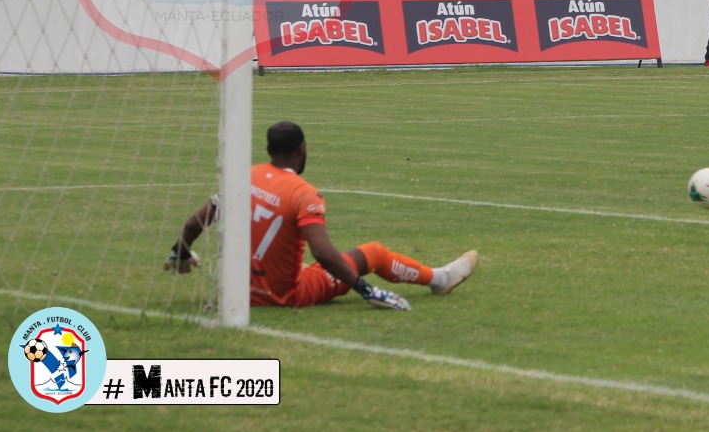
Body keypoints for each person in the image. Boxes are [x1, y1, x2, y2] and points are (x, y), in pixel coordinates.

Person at [163, 121, 478, 310]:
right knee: (374, 253)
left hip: (237, 291)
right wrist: (366, 289)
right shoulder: (302, 192)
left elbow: (194, 223)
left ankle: (438, 278)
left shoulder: (244, 176)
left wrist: (181, 252)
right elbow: (324, 253)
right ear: (300, 149)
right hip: (284, 295)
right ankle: (440, 279)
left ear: (269, 149)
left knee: (299, 260)